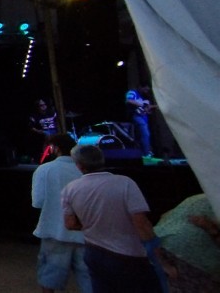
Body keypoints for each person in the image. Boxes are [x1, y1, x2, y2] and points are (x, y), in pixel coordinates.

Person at [61, 145, 172, 292]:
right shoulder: (125, 183)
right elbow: (141, 223)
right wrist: (159, 257)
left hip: (94, 253)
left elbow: (70, 224)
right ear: (102, 159)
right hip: (128, 255)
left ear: (79, 166)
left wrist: (94, 224)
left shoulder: (70, 189)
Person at [31, 134, 91, 293]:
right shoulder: (84, 170)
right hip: (84, 232)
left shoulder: (45, 170)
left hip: (54, 230)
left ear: (55, 148)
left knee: (50, 278)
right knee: (87, 278)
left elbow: (37, 202)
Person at [154, 194, 220, 292]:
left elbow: (165, 215)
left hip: (159, 242)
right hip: (190, 257)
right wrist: (211, 229)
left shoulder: (202, 196)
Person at [126, 85, 156, 157]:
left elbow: (146, 111)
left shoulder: (146, 98)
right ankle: (146, 153)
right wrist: (141, 104)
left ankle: (143, 153)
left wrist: (150, 109)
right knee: (146, 134)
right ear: (140, 87)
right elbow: (129, 100)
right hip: (136, 116)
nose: (146, 92)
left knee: (142, 136)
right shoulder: (133, 92)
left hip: (144, 118)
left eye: (147, 90)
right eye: (145, 89)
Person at [30, 99, 58, 163]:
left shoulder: (52, 112)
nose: (43, 106)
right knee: (48, 135)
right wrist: (38, 131)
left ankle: (54, 155)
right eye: (41, 105)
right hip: (44, 131)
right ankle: (46, 156)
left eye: (44, 104)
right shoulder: (35, 116)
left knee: (53, 135)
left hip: (54, 130)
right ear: (38, 107)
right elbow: (31, 127)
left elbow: (58, 121)